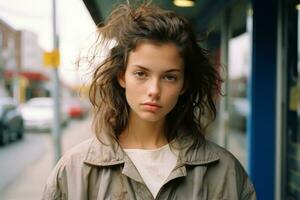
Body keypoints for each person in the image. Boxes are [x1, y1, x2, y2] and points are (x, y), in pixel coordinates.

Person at [42, 2, 256, 200]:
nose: (154, 90)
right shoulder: (74, 170)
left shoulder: (224, 171)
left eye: (169, 77)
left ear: (184, 84)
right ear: (122, 76)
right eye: (141, 74)